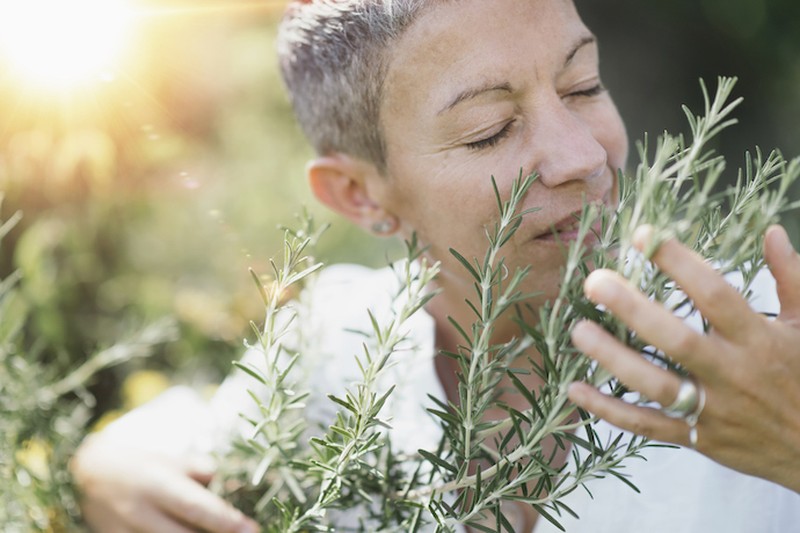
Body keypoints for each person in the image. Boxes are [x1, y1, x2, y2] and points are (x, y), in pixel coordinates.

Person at [70, 0, 800, 531]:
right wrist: (102, 461)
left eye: (583, 86)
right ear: (361, 194)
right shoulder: (337, 338)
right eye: (490, 129)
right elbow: (190, 432)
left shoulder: (765, 340)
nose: (583, 156)